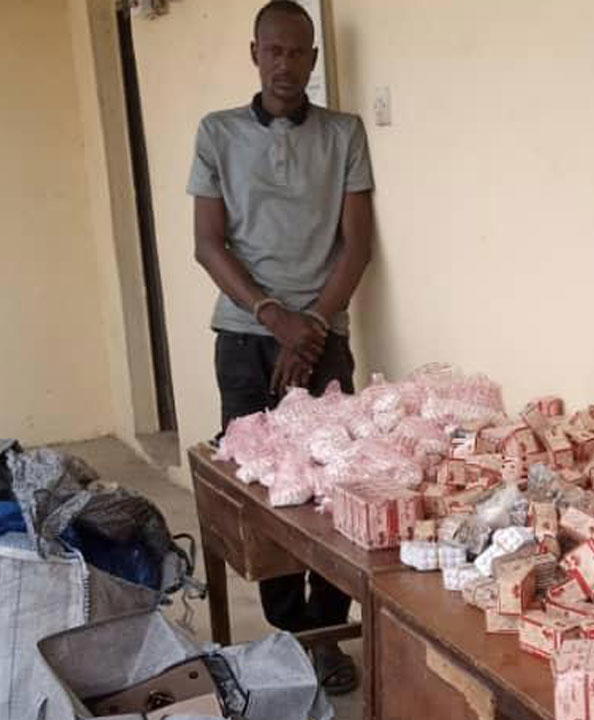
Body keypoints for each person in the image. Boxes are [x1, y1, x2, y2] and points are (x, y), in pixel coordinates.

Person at [187, 0, 373, 695]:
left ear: (313, 60)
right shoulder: (217, 133)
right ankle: (291, 634)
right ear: (255, 54)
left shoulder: (344, 134)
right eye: (274, 51)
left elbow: (357, 246)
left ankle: (328, 632)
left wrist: (312, 326)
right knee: (262, 495)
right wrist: (273, 317)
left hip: (324, 338)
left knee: (333, 490)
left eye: (298, 53)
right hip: (244, 340)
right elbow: (208, 244)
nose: (285, 65)